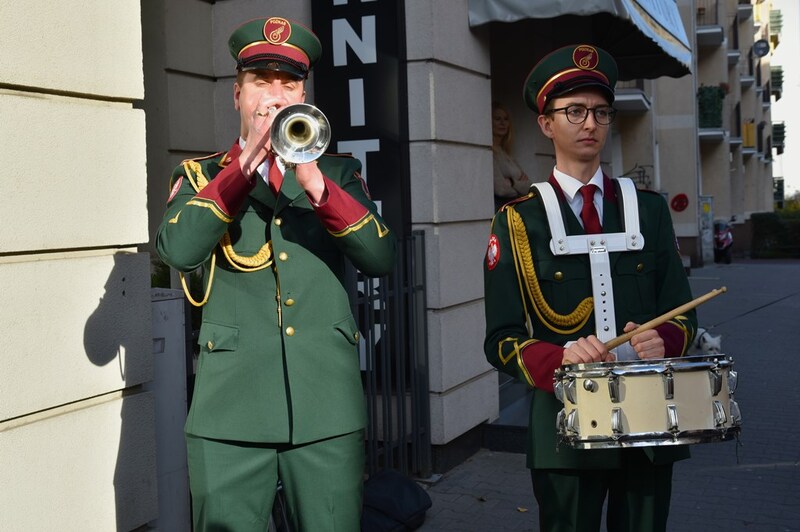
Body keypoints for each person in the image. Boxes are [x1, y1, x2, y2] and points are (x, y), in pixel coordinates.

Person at [156, 16, 396, 531]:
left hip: (325, 408)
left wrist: (311, 178)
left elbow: (380, 258)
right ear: (238, 97)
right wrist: (242, 167)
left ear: (304, 96)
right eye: (262, 82)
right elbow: (176, 250)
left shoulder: (339, 173)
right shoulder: (199, 176)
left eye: (289, 84)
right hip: (230, 413)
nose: (276, 95)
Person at [483, 44, 697, 532]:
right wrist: (559, 356)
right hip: (563, 427)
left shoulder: (650, 211)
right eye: (574, 111)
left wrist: (660, 339)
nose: (589, 123)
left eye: (600, 111)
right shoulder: (519, 221)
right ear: (545, 123)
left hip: (646, 422)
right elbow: (501, 340)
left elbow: (683, 312)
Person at [492, 101, 532, 210]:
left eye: (506, 119)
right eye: (497, 119)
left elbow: (529, 185)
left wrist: (511, 182)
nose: (502, 123)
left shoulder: (506, 154)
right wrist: (519, 182)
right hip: (500, 212)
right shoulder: (490, 153)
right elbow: (500, 189)